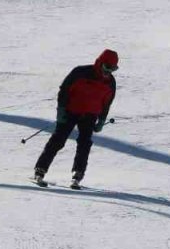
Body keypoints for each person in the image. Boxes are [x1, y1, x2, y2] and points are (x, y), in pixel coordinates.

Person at [34, 50, 119, 189]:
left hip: (90, 116)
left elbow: (107, 103)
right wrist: (61, 111)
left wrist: (102, 120)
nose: (108, 71)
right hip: (70, 111)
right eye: (107, 67)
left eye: (113, 68)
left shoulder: (110, 82)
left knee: (84, 145)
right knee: (58, 140)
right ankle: (40, 170)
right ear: (99, 63)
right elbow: (64, 90)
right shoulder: (80, 72)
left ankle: (77, 175)